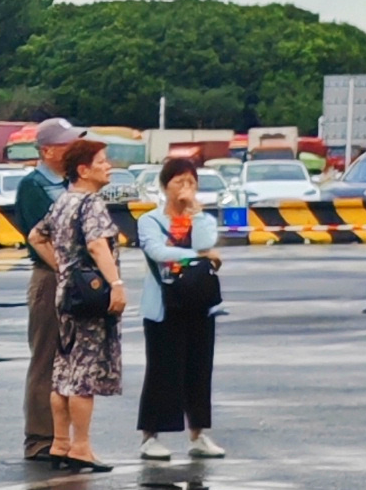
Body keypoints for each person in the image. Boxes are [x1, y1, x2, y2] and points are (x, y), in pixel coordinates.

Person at [37, 135, 126, 470]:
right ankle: (81, 446)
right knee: (84, 375)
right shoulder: (91, 203)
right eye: (103, 162)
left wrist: (62, 267)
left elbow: (36, 235)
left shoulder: (62, 202)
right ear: (84, 169)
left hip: (66, 294)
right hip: (89, 296)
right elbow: (97, 246)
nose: (109, 168)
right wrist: (115, 283)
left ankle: (61, 443)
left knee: (63, 370)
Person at [134, 152, 226, 460]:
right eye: (179, 181)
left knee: (199, 369)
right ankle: (151, 436)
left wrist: (196, 213)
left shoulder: (203, 219)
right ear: (164, 186)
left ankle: (198, 434)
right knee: (162, 369)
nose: (186, 187)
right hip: (164, 304)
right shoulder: (150, 221)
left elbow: (203, 242)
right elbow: (159, 253)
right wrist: (200, 257)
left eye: (191, 181)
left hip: (199, 303)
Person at [9, 118, 85, 462]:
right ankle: (39, 439)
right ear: (46, 151)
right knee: (46, 360)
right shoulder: (34, 186)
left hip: (75, 278)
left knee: (71, 361)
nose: (74, 150)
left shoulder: (72, 184)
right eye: (67, 145)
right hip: (51, 276)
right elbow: (44, 238)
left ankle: (62, 438)